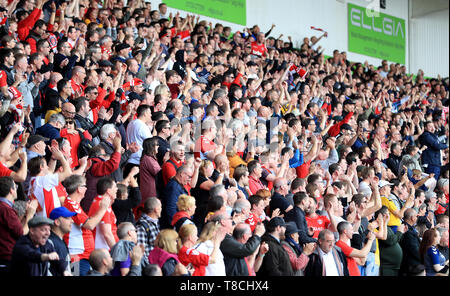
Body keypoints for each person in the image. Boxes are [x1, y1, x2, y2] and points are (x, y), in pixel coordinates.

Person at [62, 174, 111, 276]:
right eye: (85, 186)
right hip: (76, 255)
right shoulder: (71, 204)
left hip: (82, 255)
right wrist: (103, 208)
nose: (86, 188)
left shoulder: (74, 204)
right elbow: (89, 225)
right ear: (79, 189)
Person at [0, 176, 37, 275]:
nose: (17, 188)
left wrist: (25, 216)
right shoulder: (5, 209)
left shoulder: (4, 208)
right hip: (7, 260)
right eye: (15, 186)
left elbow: (16, 230)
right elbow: (22, 234)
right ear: (11, 190)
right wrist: (30, 215)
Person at [88, 177, 119, 250]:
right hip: (103, 250)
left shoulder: (100, 200)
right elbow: (107, 233)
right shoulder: (102, 204)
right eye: (115, 187)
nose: (117, 189)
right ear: (108, 191)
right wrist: (117, 252)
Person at [375, 206, 405, 276]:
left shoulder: (386, 227)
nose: (390, 216)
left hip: (392, 267)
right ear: (385, 215)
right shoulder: (379, 227)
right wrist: (399, 232)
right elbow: (390, 241)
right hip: (386, 267)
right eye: (389, 213)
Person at [48, 206, 77, 276]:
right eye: (68, 218)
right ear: (57, 222)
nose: (72, 221)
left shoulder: (61, 240)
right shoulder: (49, 242)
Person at [399, 208, 425, 276]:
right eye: (416, 216)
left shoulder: (408, 227)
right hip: (412, 268)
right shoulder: (406, 230)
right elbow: (414, 250)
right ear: (412, 218)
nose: (417, 217)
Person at [139, 137, 161, 206]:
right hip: (150, 193)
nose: (158, 146)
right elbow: (159, 173)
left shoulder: (148, 158)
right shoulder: (148, 159)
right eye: (156, 144)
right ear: (151, 147)